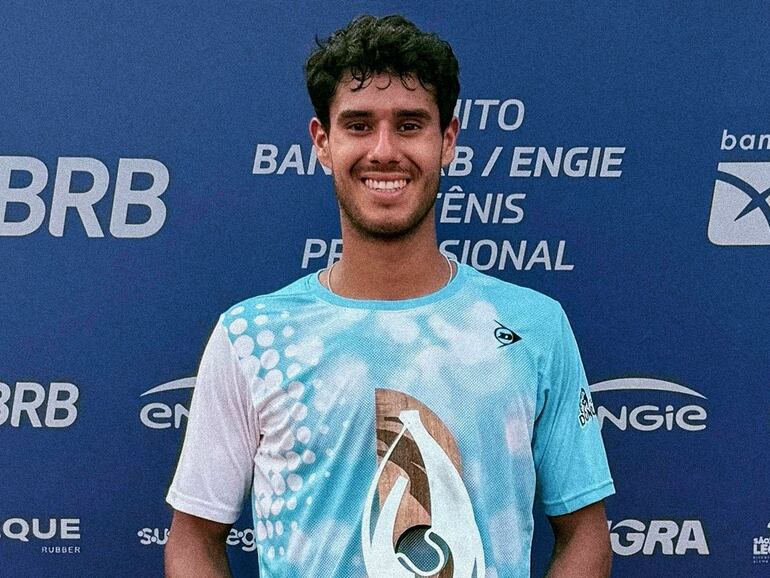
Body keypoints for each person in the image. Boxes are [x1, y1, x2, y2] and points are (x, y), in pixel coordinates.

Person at [165, 14, 614, 578]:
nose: (384, 151)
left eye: (408, 125)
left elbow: (585, 538)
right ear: (322, 142)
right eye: (358, 125)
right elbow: (193, 542)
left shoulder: (535, 326)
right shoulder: (252, 337)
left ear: (447, 140)